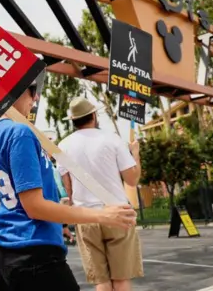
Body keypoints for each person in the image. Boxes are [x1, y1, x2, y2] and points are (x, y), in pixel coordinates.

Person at [0, 80, 137, 291]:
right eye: (33, 91)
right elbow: (34, 207)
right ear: (18, 90)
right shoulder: (20, 133)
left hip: (0, 256)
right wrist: (103, 215)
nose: (36, 99)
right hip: (34, 254)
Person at [58, 97, 144, 291]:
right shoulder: (112, 139)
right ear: (94, 116)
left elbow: (68, 189)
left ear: (72, 120)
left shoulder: (63, 146)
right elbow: (132, 179)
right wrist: (135, 154)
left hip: (85, 216)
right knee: (121, 279)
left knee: (102, 281)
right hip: (117, 214)